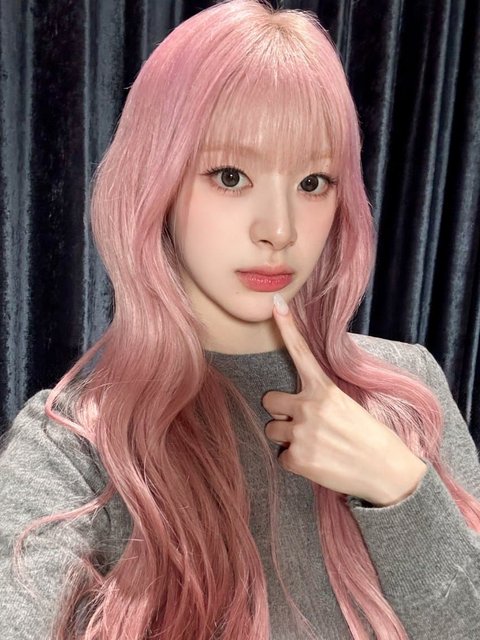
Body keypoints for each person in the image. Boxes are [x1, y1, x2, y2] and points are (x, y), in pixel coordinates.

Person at [1, 0, 480, 638]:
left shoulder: (408, 389)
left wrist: (398, 486)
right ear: (155, 182)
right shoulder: (75, 442)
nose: (279, 230)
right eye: (231, 176)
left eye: (313, 182)